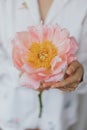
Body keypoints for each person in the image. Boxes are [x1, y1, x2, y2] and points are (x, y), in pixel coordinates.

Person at [0, 0, 87, 130]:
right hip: (12, 114)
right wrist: (25, 75)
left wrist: (81, 75)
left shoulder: (82, 4)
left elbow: (83, 64)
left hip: (60, 117)